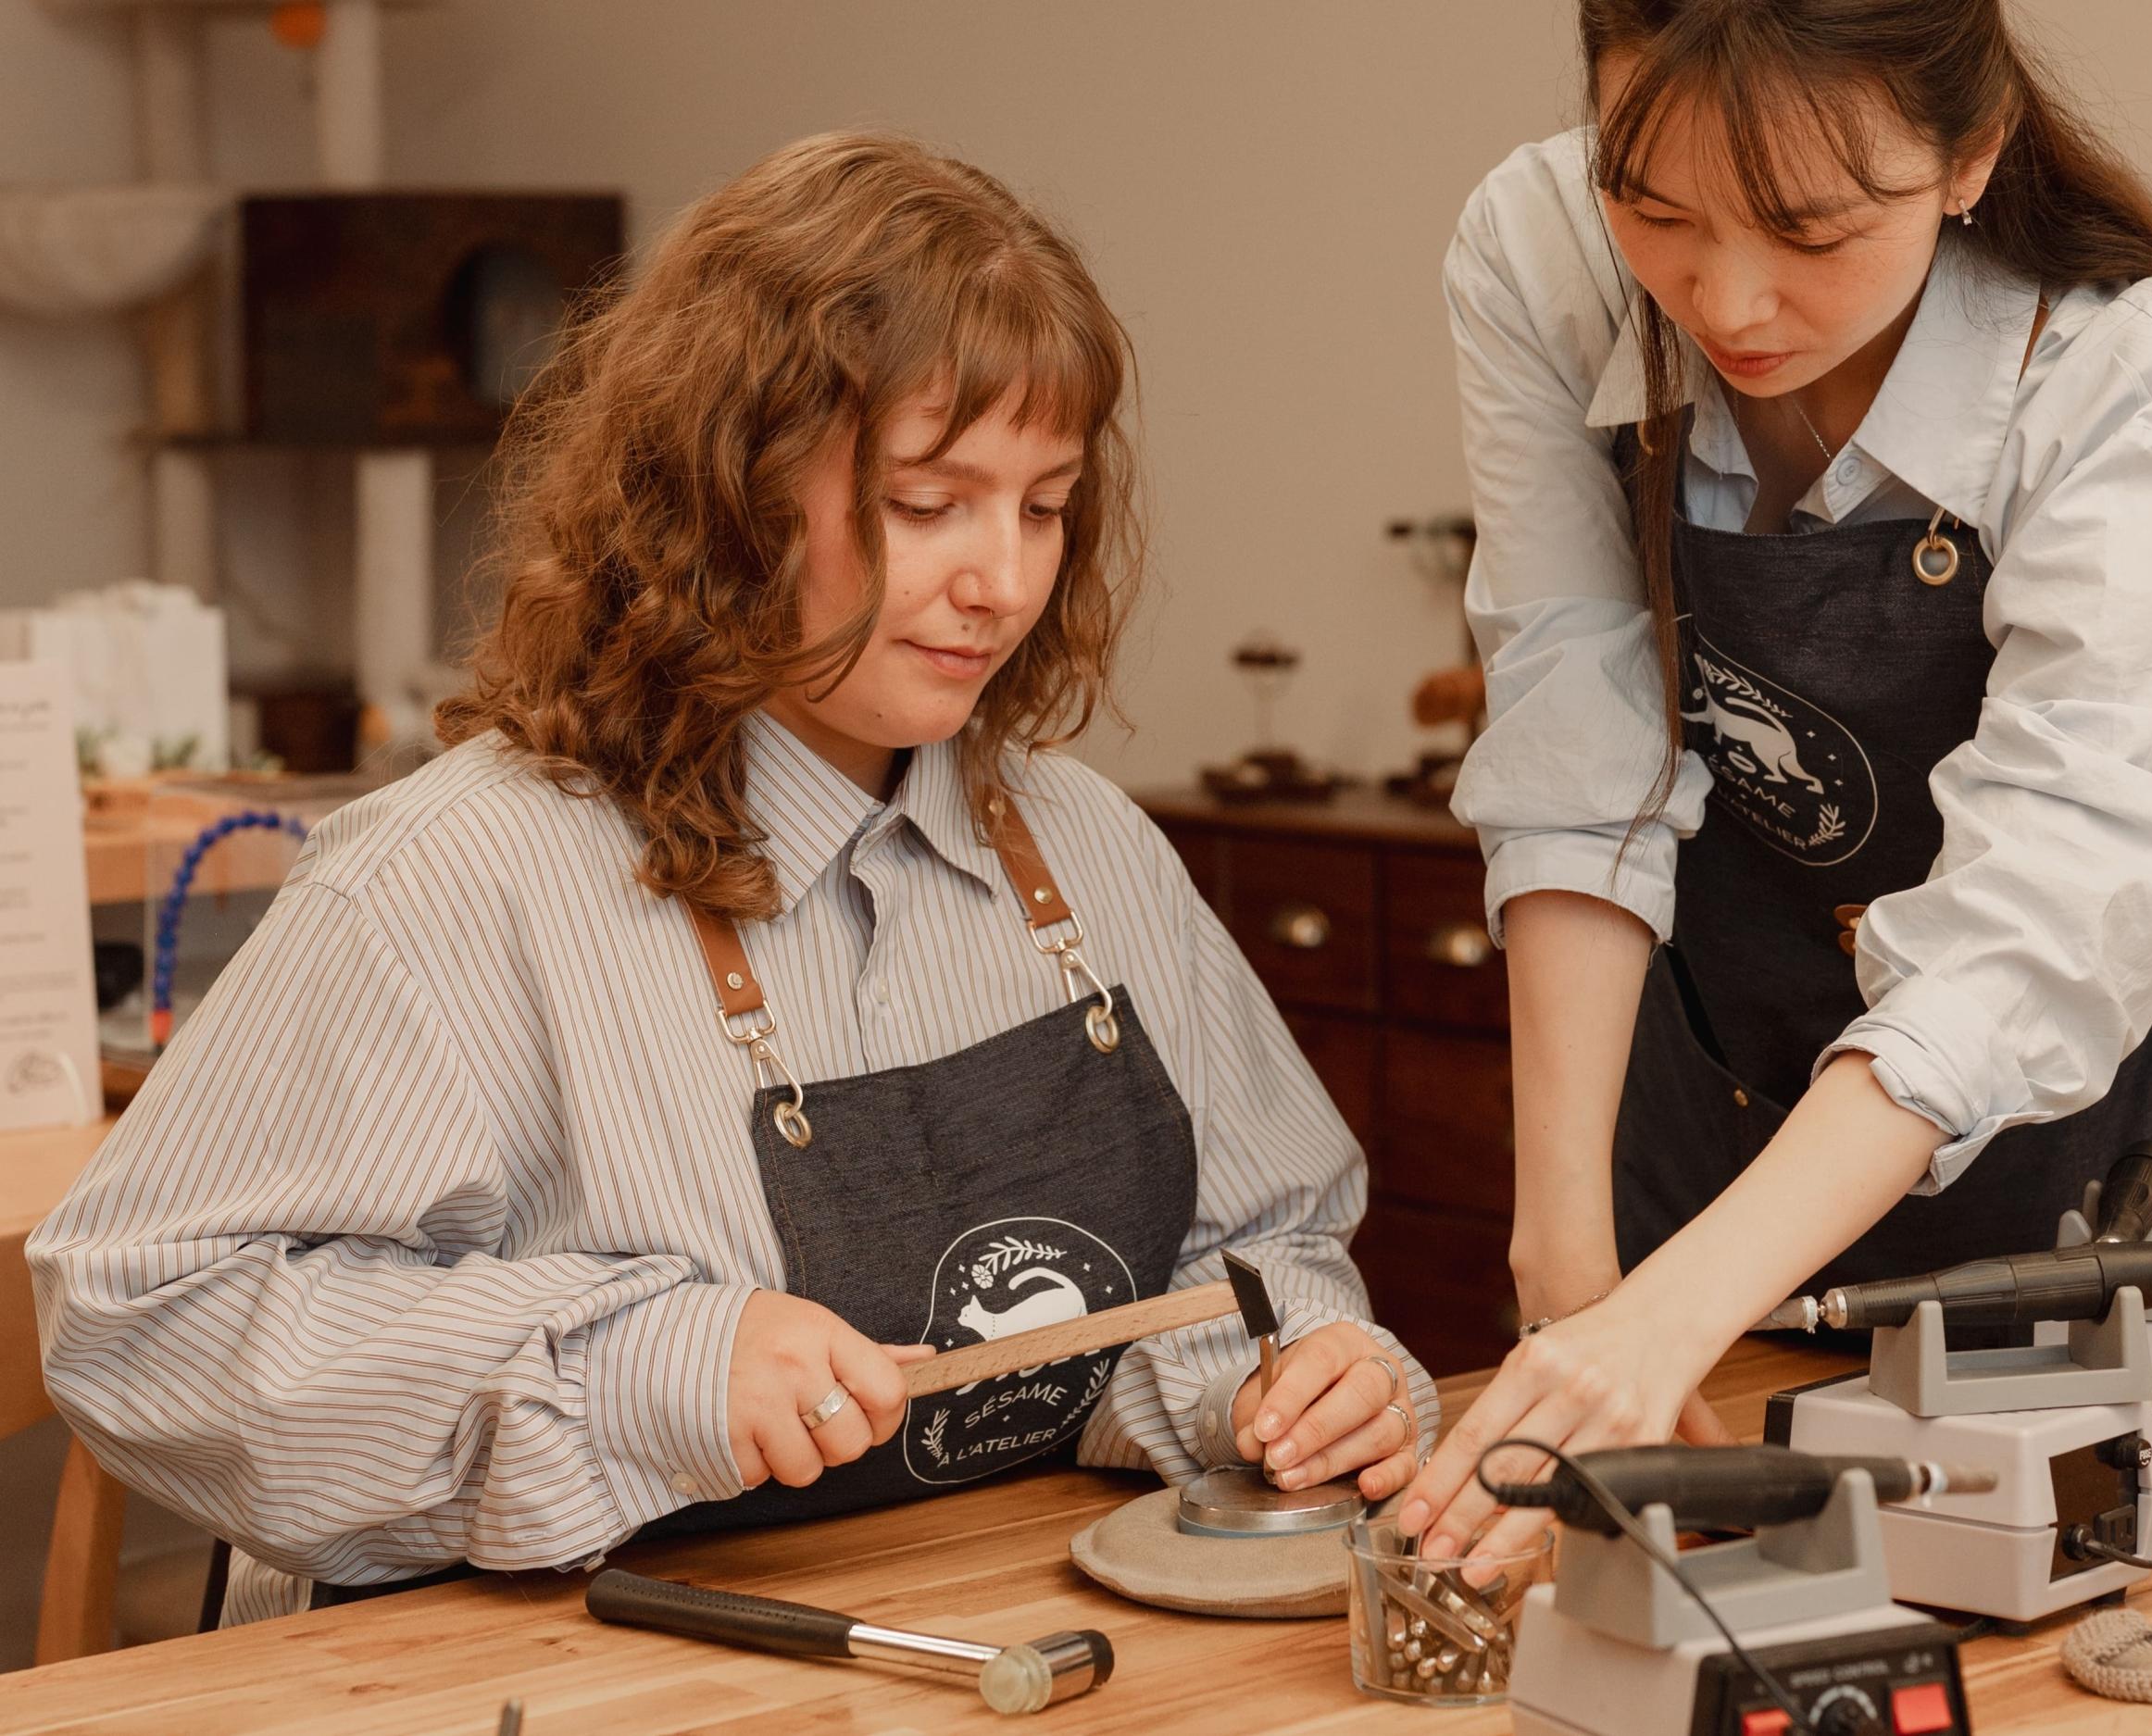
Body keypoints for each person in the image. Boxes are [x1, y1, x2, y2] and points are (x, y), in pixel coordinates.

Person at [31, 132, 1436, 1622]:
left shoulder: (1090, 851)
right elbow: (140, 1324)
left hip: (976, 1651)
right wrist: (646, 1367)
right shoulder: (453, 882)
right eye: (929, 503)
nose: (1005, 582)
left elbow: (1260, 1253)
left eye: (1043, 504)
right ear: (732, 492)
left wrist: (1280, 1385)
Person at [1400, 0, 2152, 1572]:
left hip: (2085, 1142)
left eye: (1812, 227)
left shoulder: (2121, 391)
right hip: (1727, 1094)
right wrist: (1573, 1267)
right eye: (1660, 211)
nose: (1728, 300)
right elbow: (1574, 736)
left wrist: (1672, 1305)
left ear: (1971, 154)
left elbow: (2027, 926)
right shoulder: (1542, 247)